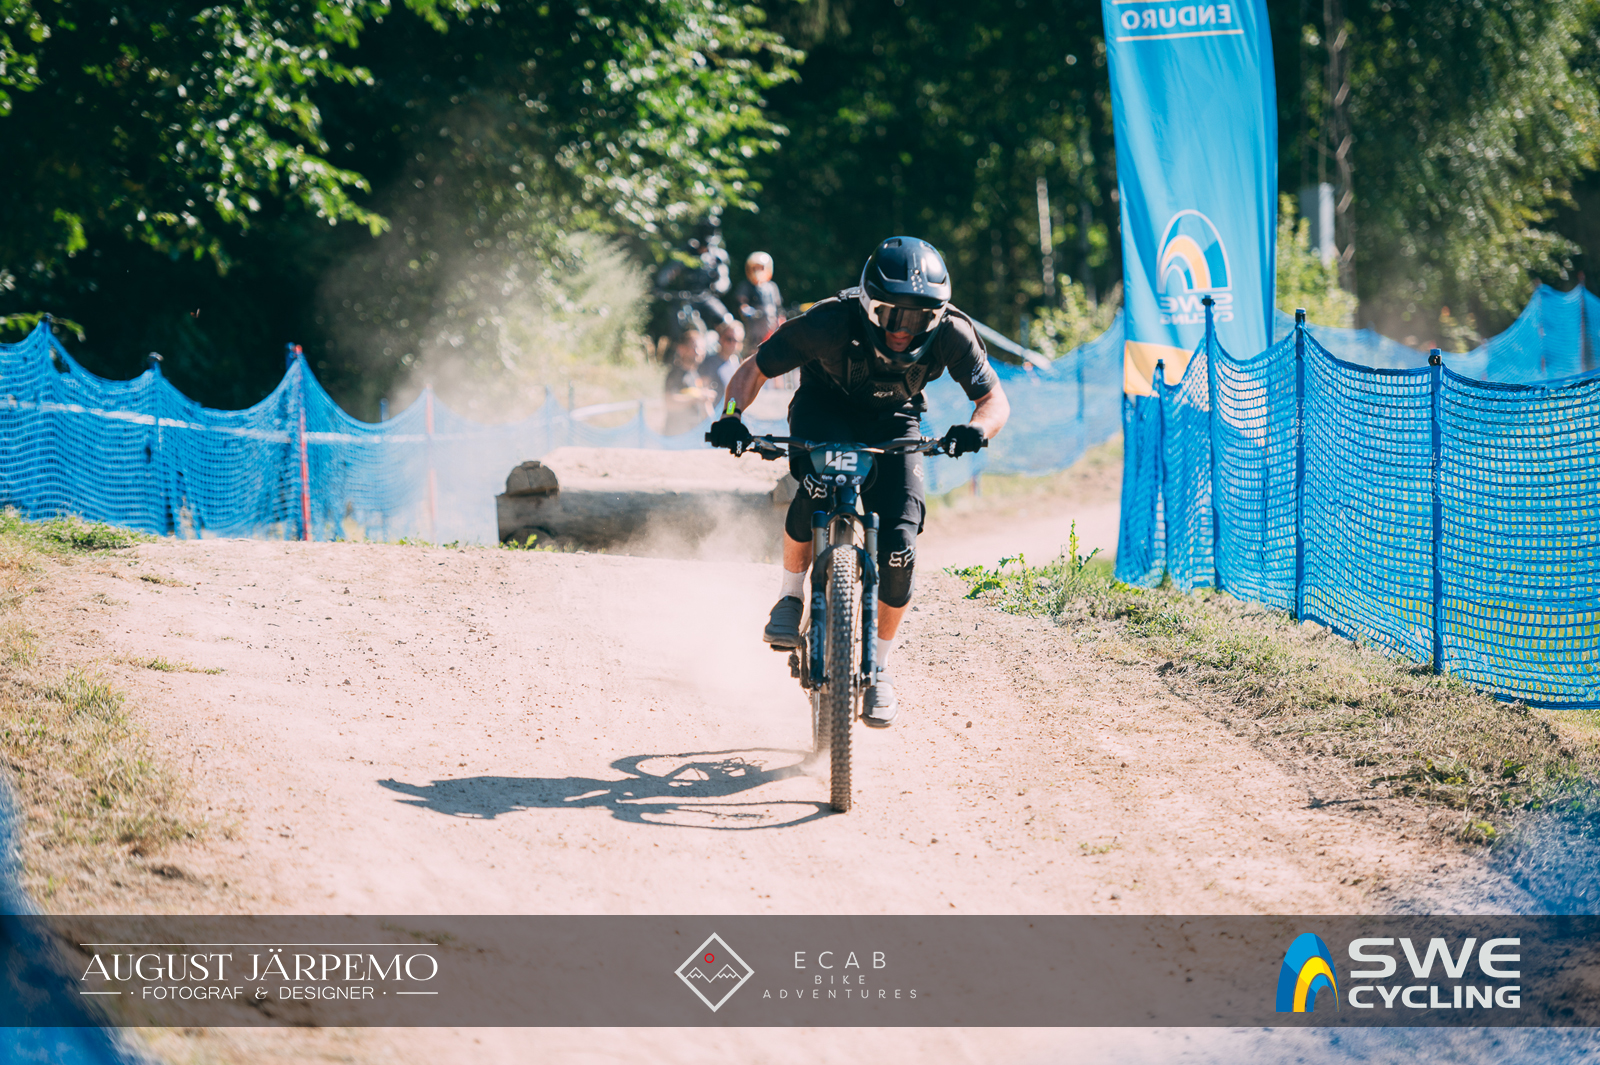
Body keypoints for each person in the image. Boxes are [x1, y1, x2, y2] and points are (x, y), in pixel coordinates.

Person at [707, 236, 1010, 727]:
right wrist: (731, 416)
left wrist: (977, 430)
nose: (902, 330)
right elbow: (754, 369)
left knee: (900, 547)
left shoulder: (954, 332)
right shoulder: (828, 321)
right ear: (869, 306)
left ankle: (880, 669)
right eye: (891, 315)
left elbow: (993, 400)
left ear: (937, 316)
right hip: (825, 410)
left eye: (917, 320)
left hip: (896, 421)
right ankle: (790, 595)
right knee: (816, 487)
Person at [655, 224, 745, 354]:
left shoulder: (717, 256)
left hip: (706, 297)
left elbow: (724, 279)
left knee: (727, 321)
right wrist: (660, 285)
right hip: (686, 297)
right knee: (678, 322)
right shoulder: (687, 252)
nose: (705, 248)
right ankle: (677, 352)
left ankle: (726, 354)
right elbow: (669, 272)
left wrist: (719, 286)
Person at [735, 251, 785, 355]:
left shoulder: (772, 287)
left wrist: (781, 321)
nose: (758, 271)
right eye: (755, 268)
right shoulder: (746, 286)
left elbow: (778, 307)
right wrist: (750, 311)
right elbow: (742, 305)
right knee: (753, 351)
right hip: (755, 327)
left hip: (771, 326)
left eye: (761, 268)